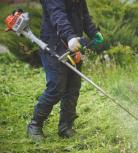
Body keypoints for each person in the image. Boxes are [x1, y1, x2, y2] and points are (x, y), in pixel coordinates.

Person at [27, 0, 104, 141]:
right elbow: (58, 15)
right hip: (54, 45)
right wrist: (69, 37)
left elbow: (84, 15)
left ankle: (65, 127)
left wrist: (93, 32)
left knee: (73, 87)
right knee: (56, 87)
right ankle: (35, 125)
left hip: (74, 45)